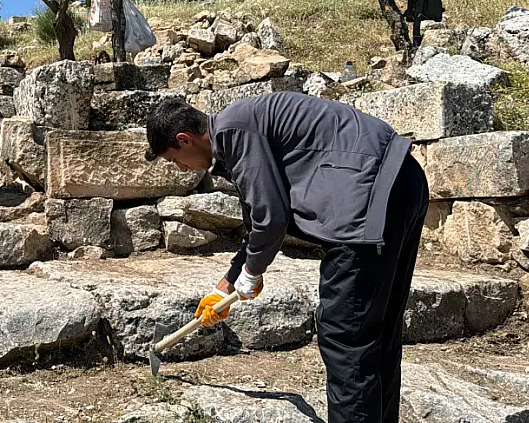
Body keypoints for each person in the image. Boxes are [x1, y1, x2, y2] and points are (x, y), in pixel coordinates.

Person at [145, 94, 429, 423]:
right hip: (401, 181)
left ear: (185, 140)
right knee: (377, 333)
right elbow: (258, 223)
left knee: (346, 336)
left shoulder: (236, 133)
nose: (181, 168)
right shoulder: (238, 129)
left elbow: (272, 219)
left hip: (368, 201)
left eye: (174, 159)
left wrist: (253, 272)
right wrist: (225, 287)